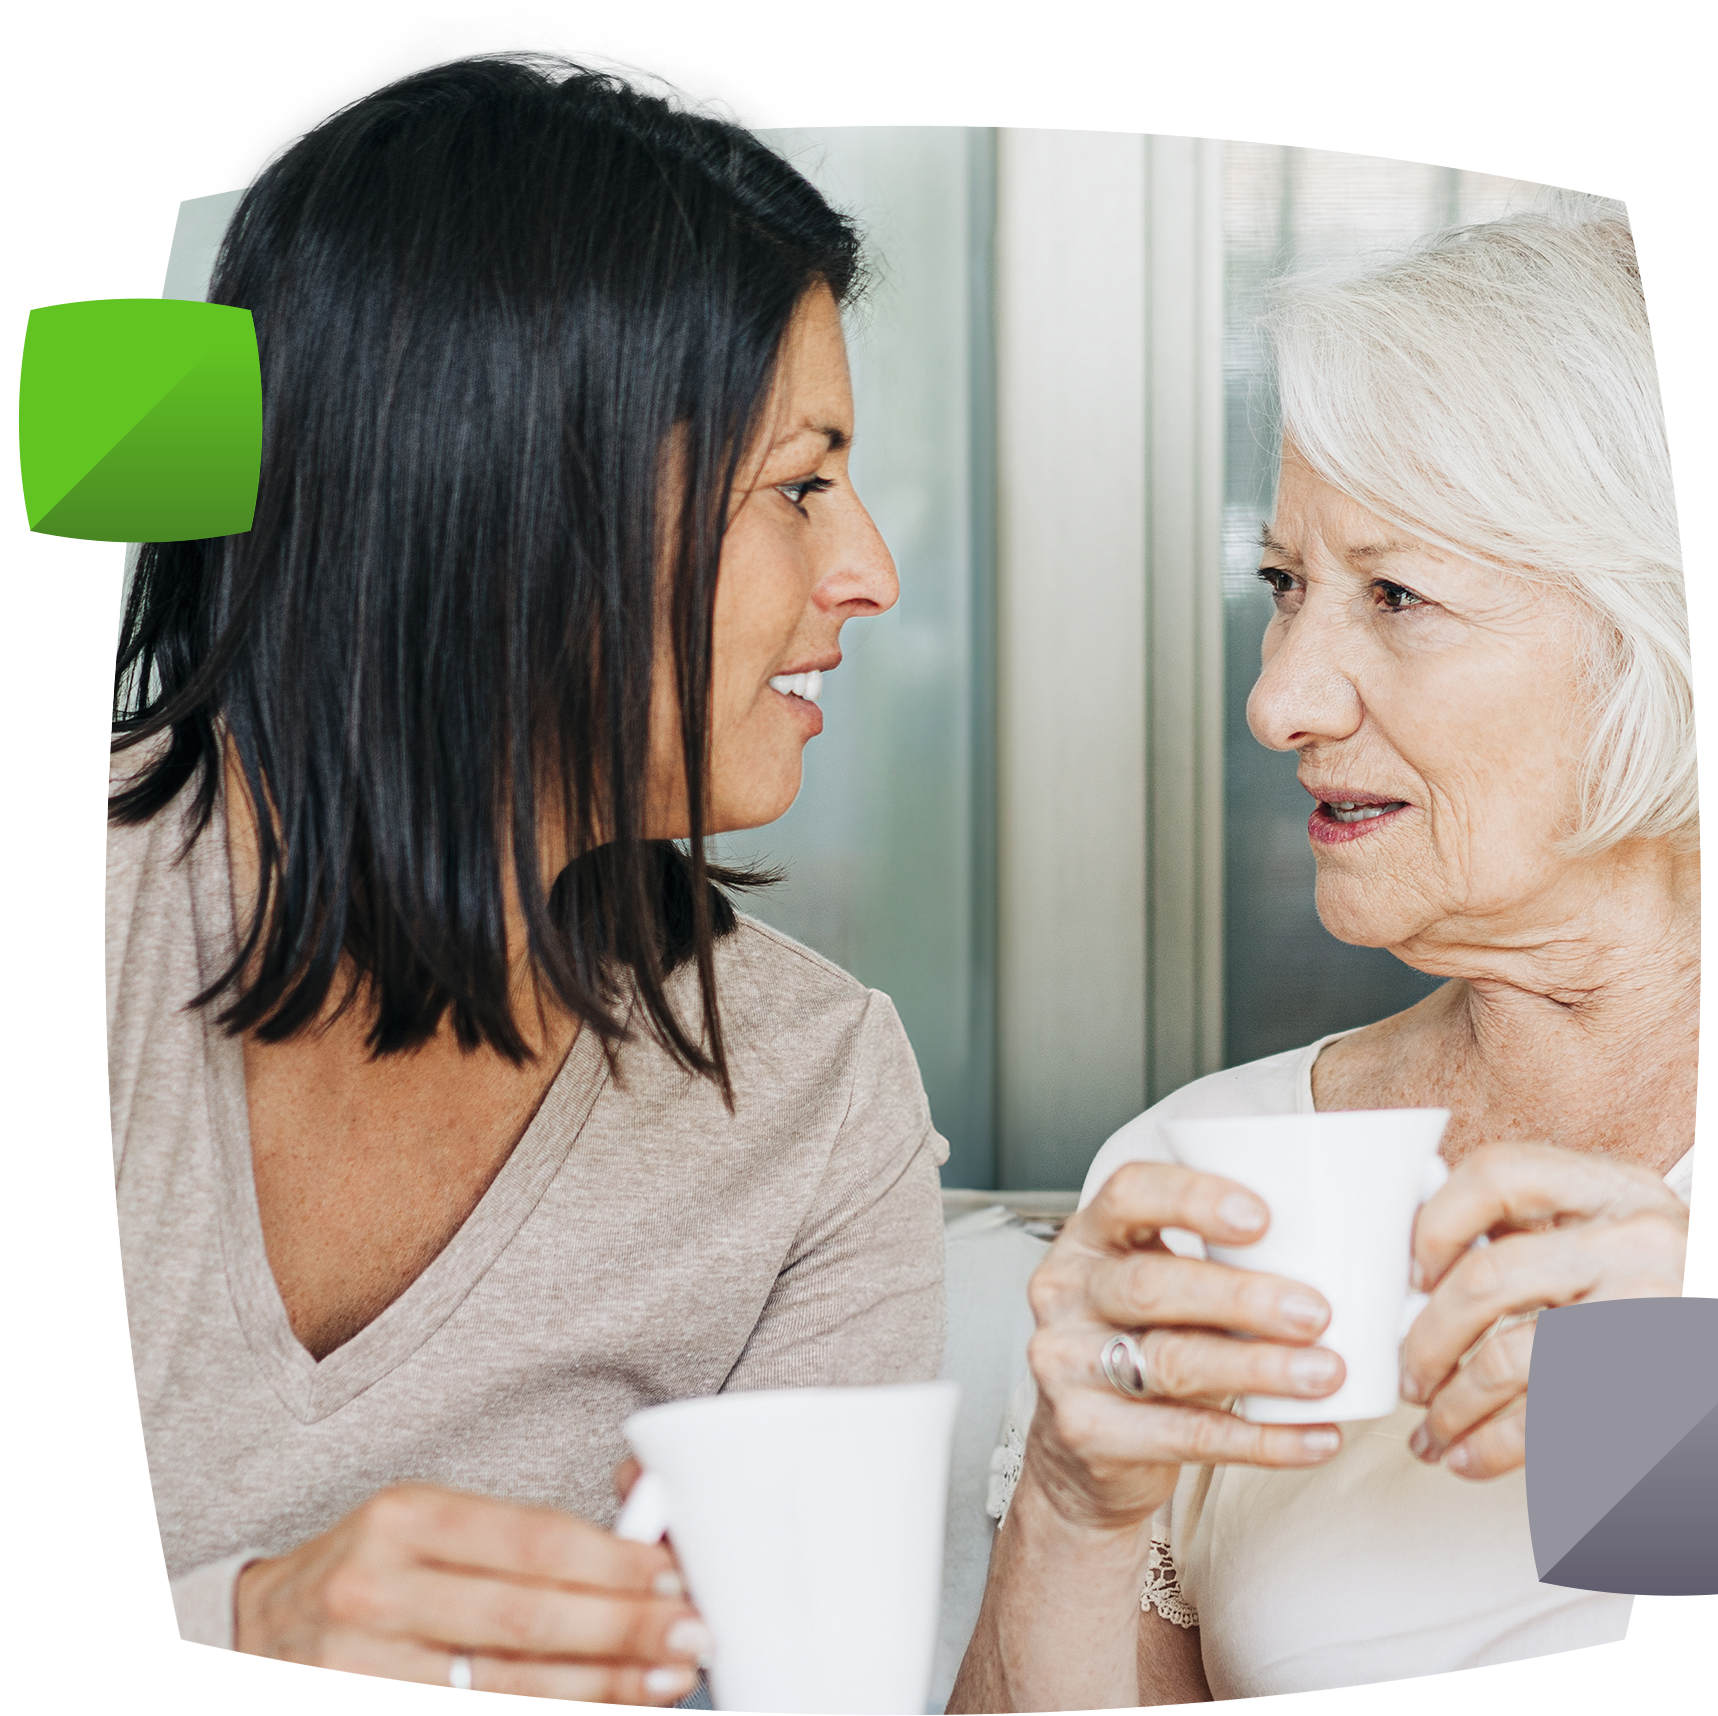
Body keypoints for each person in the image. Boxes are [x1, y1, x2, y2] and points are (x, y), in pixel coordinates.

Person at [107, 16, 945, 1703]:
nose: (870, 572)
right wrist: (245, 1635)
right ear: (505, 499)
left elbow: (824, 1687)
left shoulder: (814, 1095)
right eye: (802, 486)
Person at [950, 201, 1696, 1709]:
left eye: (1397, 596)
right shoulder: (1206, 1173)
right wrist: (1073, 1513)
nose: (1279, 701)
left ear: (1666, 637)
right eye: (1285, 586)